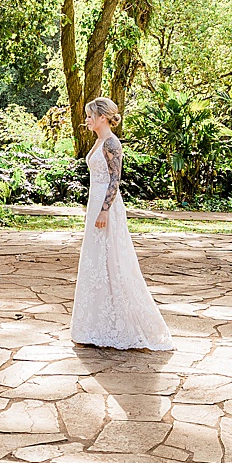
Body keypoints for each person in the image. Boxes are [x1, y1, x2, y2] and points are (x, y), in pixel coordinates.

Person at [70, 96, 174, 350]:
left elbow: (115, 179)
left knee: (113, 260)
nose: (86, 119)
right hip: (95, 204)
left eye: (90, 115)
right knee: (97, 262)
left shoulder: (112, 143)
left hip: (107, 206)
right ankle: (97, 326)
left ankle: (127, 326)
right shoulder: (98, 141)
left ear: (102, 117)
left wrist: (105, 211)